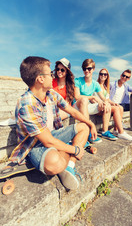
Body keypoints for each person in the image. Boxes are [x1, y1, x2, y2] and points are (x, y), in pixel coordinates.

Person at [12, 56, 97, 191]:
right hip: (35, 145)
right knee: (54, 164)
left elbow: (72, 111)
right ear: (40, 78)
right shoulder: (26, 103)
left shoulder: (51, 93)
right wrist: (75, 149)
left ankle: (69, 166)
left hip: (53, 136)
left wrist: (91, 124)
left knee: (84, 127)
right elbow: (48, 142)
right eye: (50, 73)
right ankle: (68, 155)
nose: (53, 76)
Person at [73, 59, 117, 143]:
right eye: (84, 69)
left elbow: (103, 98)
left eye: (89, 68)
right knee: (84, 100)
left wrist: (106, 102)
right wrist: (91, 97)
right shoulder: (78, 80)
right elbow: (77, 96)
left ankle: (105, 131)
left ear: (93, 69)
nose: (86, 71)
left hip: (88, 106)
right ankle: (87, 133)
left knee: (106, 105)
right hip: (78, 106)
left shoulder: (95, 84)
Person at [97, 68, 132, 140]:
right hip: (99, 106)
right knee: (116, 108)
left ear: (107, 76)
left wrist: (113, 103)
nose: (103, 75)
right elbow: (97, 97)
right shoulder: (96, 84)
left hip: (105, 105)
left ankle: (116, 130)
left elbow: (107, 99)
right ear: (99, 75)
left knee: (119, 107)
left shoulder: (105, 86)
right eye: (101, 74)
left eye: (105, 74)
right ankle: (121, 132)